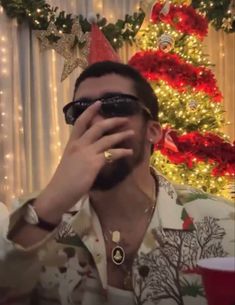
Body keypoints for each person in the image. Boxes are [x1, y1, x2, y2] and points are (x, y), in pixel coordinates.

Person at [0, 61, 234, 305]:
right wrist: (49, 207)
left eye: (117, 106)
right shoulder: (32, 222)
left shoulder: (224, 225)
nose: (94, 121)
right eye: (80, 111)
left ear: (153, 131)